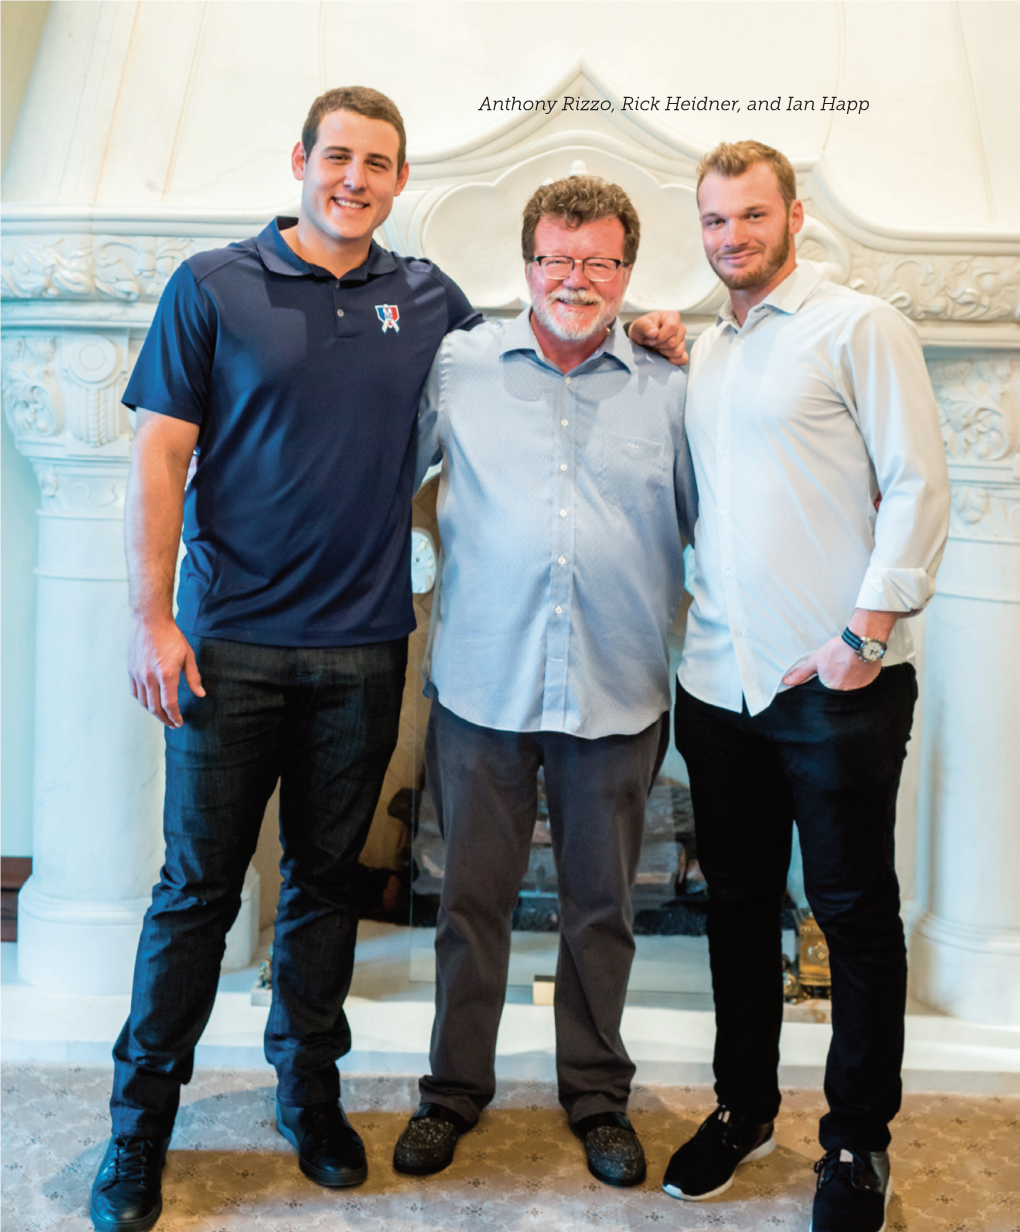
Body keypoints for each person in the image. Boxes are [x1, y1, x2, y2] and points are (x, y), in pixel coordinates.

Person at [89, 87, 685, 1232]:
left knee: (323, 893)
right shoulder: (213, 285)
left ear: (402, 181)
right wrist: (149, 616)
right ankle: (137, 1128)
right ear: (301, 159)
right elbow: (160, 457)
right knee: (196, 895)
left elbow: (561, 313)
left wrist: (654, 322)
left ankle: (309, 1099)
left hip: (366, 652)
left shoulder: (432, 306)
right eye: (339, 156)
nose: (355, 178)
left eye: (378, 162)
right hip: (228, 647)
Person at [660, 141, 950, 1232]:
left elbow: (922, 483)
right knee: (734, 909)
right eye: (715, 221)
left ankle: (857, 1142)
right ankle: (742, 1109)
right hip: (719, 683)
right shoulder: (711, 352)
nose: (732, 237)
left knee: (853, 915)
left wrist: (859, 636)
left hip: (836, 684)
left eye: (750, 216)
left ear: (794, 214)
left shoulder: (859, 325)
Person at [391, 175, 697, 1189]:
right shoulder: (458, 366)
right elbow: (381, 480)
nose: (578, 278)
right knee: (468, 900)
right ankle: (451, 1091)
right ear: (527, 264)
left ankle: (596, 1094)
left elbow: (718, 516)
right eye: (558, 258)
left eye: (601, 260)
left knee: (602, 906)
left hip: (617, 686)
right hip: (483, 680)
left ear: (627, 270)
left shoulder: (672, 380)